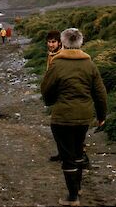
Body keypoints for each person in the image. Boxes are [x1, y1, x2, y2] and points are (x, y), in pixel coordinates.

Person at [41, 28, 107, 206]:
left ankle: (72, 197)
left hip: (62, 117)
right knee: (78, 150)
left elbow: (46, 89)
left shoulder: (56, 64)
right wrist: (101, 115)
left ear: (63, 42)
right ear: (80, 42)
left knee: (67, 155)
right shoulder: (90, 64)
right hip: (84, 117)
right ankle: (77, 188)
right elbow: (100, 93)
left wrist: (51, 101)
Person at [46, 30, 62, 162]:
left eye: (54, 42)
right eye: (49, 42)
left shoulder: (60, 56)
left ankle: (81, 156)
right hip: (56, 95)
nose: (51, 44)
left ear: (60, 42)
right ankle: (62, 151)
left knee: (64, 125)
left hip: (63, 94)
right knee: (57, 125)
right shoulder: (51, 55)